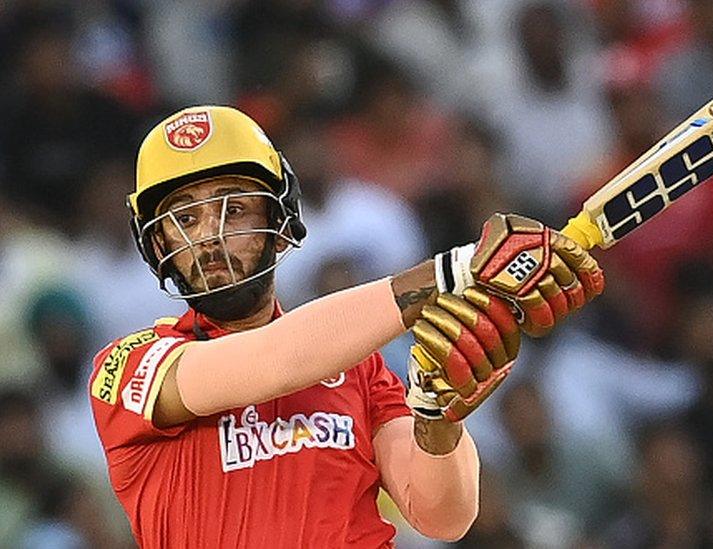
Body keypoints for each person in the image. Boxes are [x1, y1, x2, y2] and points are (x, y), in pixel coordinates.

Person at [87, 105, 604, 548]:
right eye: (184, 219)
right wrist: (457, 270)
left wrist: (439, 416)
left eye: (235, 208)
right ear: (157, 246)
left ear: (281, 218)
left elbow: (444, 517)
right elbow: (276, 360)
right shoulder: (129, 367)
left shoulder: (358, 368)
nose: (210, 237)